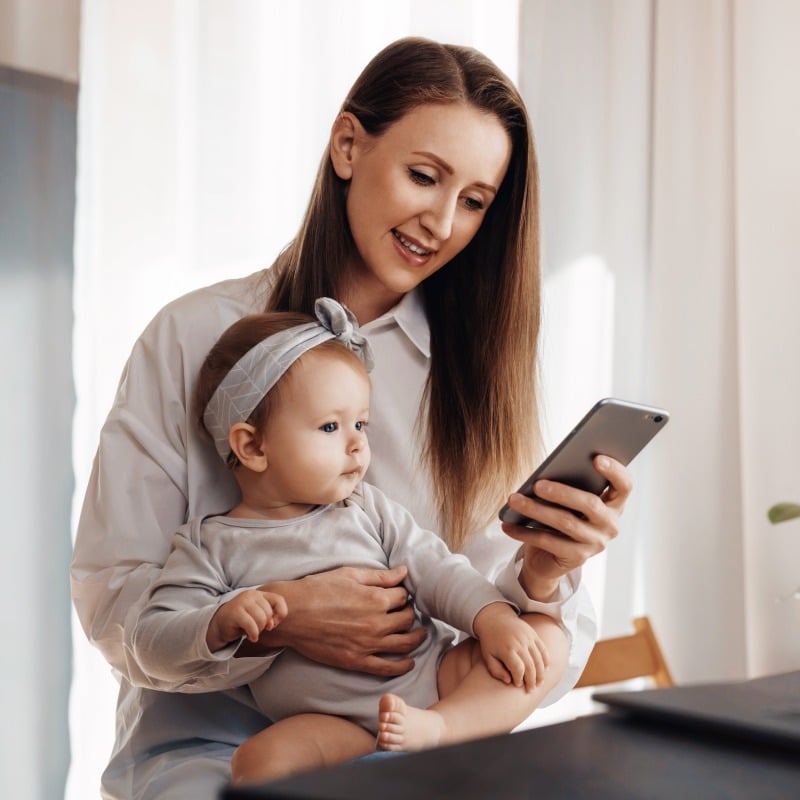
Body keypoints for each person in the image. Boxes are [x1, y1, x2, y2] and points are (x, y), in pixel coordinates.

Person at [71, 36, 633, 800]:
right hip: (205, 751)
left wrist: (544, 575)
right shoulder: (192, 335)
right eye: (423, 176)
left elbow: (531, 643)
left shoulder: (471, 378)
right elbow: (115, 605)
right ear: (347, 146)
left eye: (473, 201)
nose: (441, 222)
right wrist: (285, 620)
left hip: (410, 737)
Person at [132, 299, 569, 784]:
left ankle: (447, 729)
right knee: (255, 764)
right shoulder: (210, 546)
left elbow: (437, 569)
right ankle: (398, 758)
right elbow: (151, 641)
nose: (358, 444)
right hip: (334, 725)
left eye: (361, 424)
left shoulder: (366, 508)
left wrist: (493, 619)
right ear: (253, 447)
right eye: (330, 427)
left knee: (548, 637)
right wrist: (219, 620)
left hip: (435, 678)